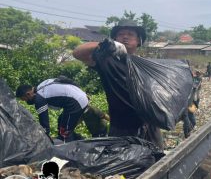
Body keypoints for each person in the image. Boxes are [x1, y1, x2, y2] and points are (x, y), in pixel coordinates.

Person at [72, 19, 163, 149]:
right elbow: (77, 52)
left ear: (139, 41)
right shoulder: (107, 62)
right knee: (122, 165)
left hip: (150, 126)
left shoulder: (145, 66)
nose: (125, 36)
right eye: (121, 34)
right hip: (122, 128)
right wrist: (106, 44)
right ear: (115, 38)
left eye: (130, 34)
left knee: (157, 162)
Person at [16, 78, 88, 142]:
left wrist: (45, 137)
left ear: (28, 94)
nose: (26, 102)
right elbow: (63, 79)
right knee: (61, 121)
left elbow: (44, 121)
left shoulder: (39, 99)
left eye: (24, 99)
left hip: (77, 101)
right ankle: (79, 139)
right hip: (79, 95)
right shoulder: (42, 85)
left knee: (64, 132)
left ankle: (70, 150)